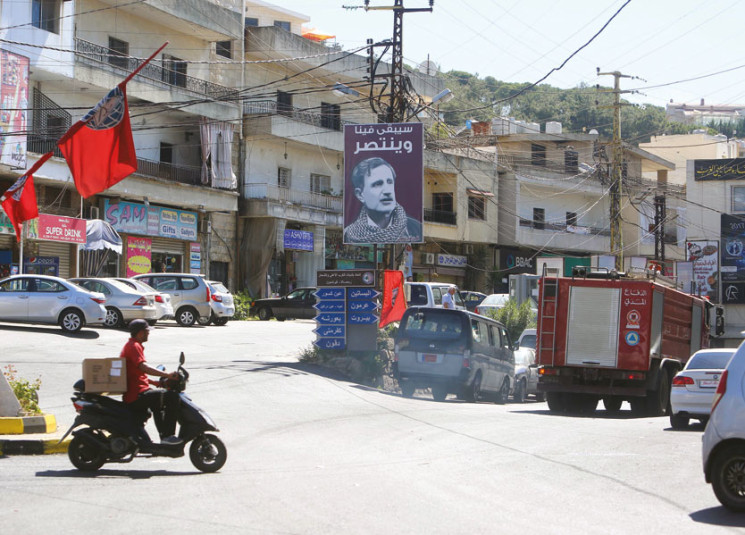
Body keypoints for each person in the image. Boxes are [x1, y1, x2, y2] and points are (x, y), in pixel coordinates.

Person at [120, 319, 182, 445]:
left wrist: (156, 383)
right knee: (172, 397)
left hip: (137, 392)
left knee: (157, 403)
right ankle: (168, 436)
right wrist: (167, 375)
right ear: (140, 333)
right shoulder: (134, 346)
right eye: (147, 331)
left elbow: (137, 374)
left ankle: (164, 438)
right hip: (136, 395)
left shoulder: (132, 345)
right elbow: (144, 368)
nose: (148, 334)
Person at [344, 157, 422, 244]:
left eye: (390, 182)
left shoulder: (416, 229)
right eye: (377, 184)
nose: (387, 191)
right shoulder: (348, 235)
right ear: (360, 194)